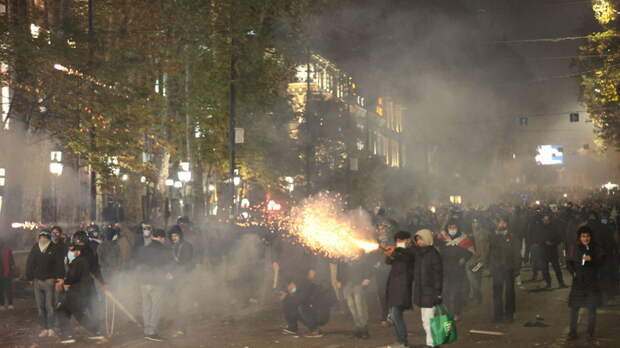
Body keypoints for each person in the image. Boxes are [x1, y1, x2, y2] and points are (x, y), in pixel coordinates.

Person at [57, 245, 104, 343]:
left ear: (78, 252)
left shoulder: (78, 261)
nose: (69, 252)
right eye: (69, 250)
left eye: (72, 251)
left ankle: (67, 336)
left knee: (63, 311)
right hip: (81, 292)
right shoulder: (81, 261)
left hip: (77, 292)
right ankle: (96, 331)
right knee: (77, 313)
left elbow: (73, 276)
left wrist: (63, 281)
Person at [566, 226, 604, 342]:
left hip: (592, 283)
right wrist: (573, 273)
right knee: (574, 309)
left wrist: (592, 259)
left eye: (587, 236)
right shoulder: (574, 247)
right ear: (579, 237)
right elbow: (569, 262)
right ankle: (573, 332)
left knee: (591, 309)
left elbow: (603, 261)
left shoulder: (596, 248)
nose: (585, 238)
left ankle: (590, 333)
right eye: (583, 236)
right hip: (578, 283)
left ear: (590, 237)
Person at [136, 228, 174, 342]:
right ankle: (151, 332)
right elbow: (166, 265)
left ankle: (147, 330)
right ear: (161, 238)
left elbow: (137, 264)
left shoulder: (143, 249)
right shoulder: (164, 249)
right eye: (163, 238)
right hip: (156, 282)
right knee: (155, 307)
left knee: (146, 307)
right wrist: (168, 274)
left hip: (143, 282)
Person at [25, 230, 66, 337]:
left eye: (44, 236)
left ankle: (51, 328)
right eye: (41, 236)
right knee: (40, 307)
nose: (42, 238)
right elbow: (30, 262)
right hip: (37, 281)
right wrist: (29, 276)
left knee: (49, 306)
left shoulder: (54, 248)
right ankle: (44, 328)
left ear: (48, 237)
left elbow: (59, 264)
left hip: (50, 281)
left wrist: (60, 278)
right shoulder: (35, 247)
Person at [436, 220, 473, 320]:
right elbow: (437, 251)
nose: (452, 229)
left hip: (458, 269)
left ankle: (457, 312)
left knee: (457, 292)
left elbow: (470, 251)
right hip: (445, 269)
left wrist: (464, 258)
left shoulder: (464, 239)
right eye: (450, 227)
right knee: (445, 292)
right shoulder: (442, 239)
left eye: (454, 227)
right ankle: (447, 312)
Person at [383, 231, 414, 348]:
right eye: (397, 240)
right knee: (393, 314)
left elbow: (407, 257)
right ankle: (400, 340)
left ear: (408, 240)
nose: (399, 242)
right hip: (394, 286)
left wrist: (395, 250)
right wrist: (389, 254)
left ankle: (402, 342)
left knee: (396, 314)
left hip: (403, 286)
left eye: (401, 240)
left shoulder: (411, 251)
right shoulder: (397, 252)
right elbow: (388, 262)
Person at [412, 229, 443, 348]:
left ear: (427, 239)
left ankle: (432, 344)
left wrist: (438, 293)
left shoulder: (433, 254)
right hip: (422, 292)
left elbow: (438, 275)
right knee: (425, 320)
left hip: (430, 293)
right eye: (417, 239)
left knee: (430, 321)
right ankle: (431, 343)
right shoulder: (420, 254)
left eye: (421, 239)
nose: (419, 241)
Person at [488, 216, 521, 323]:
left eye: (503, 223)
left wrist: (517, 269)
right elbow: (489, 252)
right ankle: (498, 315)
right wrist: (490, 266)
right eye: (500, 223)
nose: (501, 225)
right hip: (497, 269)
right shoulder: (493, 236)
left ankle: (509, 314)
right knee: (497, 292)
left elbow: (517, 254)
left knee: (509, 292)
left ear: (507, 224)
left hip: (508, 268)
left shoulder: (512, 237)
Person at [336, 252, 372, 339]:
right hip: (347, 283)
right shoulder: (343, 252)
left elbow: (367, 264)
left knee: (359, 305)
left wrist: (367, 277)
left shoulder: (360, 251)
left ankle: (363, 328)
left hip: (358, 282)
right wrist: (339, 279)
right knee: (351, 306)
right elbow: (340, 267)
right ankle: (358, 327)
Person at [169, 226, 194, 337]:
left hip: (184, 278)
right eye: (172, 236)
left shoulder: (187, 246)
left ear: (180, 235)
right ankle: (179, 326)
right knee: (175, 304)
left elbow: (187, 263)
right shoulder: (173, 246)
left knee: (182, 304)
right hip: (175, 279)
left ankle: (182, 328)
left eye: (175, 236)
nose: (173, 238)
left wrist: (178, 262)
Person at [0, 238, 16, 310]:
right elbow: (12, 262)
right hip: (8, 273)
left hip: (4, 273)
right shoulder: (8, 250)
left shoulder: (8, 250)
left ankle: (2, 305)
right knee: (8, 289)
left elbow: (12, 262)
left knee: (1, 290)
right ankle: (10, 304)